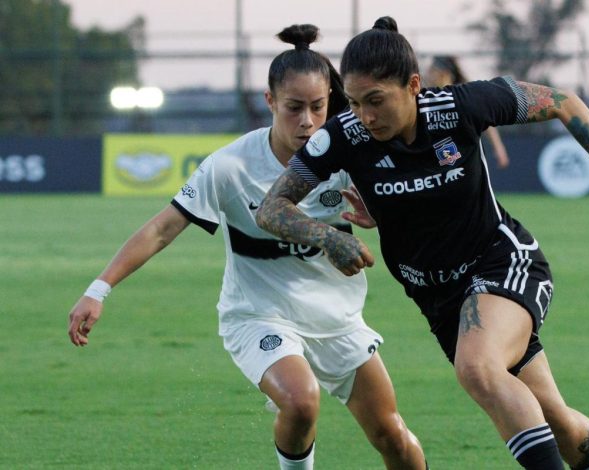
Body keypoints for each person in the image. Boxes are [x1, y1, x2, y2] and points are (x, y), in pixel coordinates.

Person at [256, 16, 589, 470]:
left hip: (501, 262)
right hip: (439, 300)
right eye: (352, 102)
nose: (365, 116)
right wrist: (326, 236)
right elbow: (272, 208)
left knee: (477, 368)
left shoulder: (460, 106)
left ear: (413, 85)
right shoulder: (343, 136)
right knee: (555, 420)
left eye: (376, 101)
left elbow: (563, 102)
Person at [67, 24, 428, 470]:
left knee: (392, 436)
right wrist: (98, 289)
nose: (308, 121)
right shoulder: (230, 166)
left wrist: (379, 213)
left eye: (318, 107)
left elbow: (408, 206)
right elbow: (162, 229)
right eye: (294, 108)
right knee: (300, 401)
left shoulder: (347, 154)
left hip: (337, 320)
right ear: (270, 102)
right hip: (258, 316)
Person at [425, 55, 510, 169]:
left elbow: (486, 120)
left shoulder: (463, 98)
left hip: (463, 161)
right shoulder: (429, 99)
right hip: (440, 160)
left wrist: (499, 148)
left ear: (443, 74)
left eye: (432, 71)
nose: (429, 75)